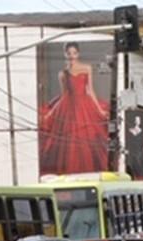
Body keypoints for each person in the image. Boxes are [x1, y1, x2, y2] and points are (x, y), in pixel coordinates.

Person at [39, 42, 109, 175]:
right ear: (65, 54)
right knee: (69, 141)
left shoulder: (87, 68)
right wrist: (52, 113)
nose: (72, 56)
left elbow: (90, 90)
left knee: (86, 139)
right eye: (69, 53)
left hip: (84, 105)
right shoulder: (62, 74)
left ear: (78, 53)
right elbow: (64, 94)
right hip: (69, 107)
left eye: (74, 53)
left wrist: (99, 109)